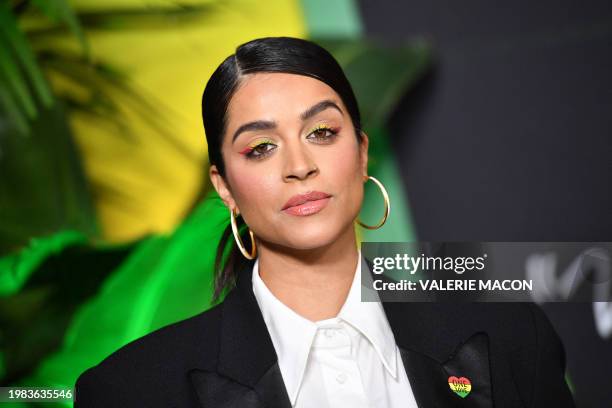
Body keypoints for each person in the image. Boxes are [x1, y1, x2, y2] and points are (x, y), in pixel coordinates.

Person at [74, 36, 575, 407]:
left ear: (360, 153)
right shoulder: (134, 389)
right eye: (261, 147)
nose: (299, 165)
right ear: (224, 186)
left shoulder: (509, 334)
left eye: (321, 132)